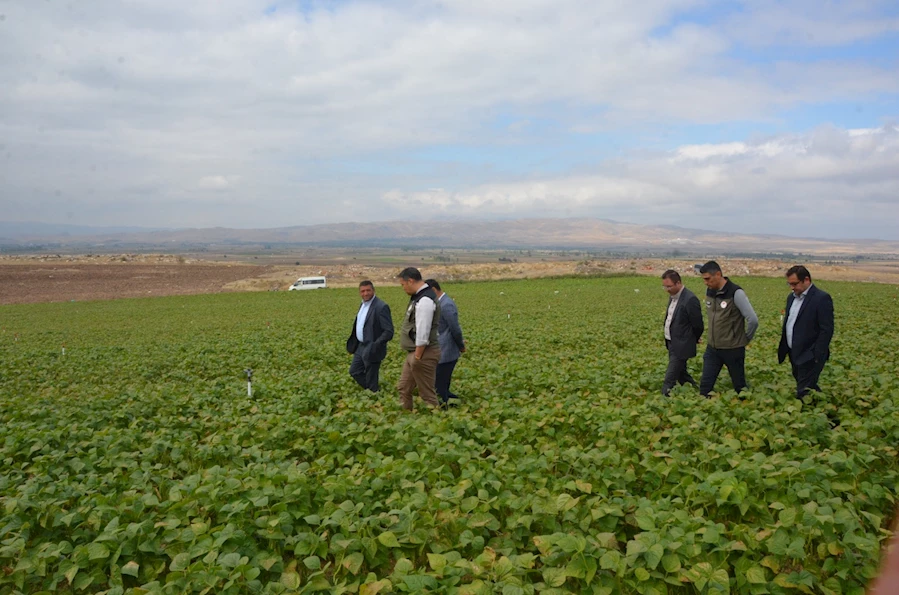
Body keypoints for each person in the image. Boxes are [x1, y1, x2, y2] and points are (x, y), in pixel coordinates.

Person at [698, 261, 758, 396]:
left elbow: (753, 320)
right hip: (713, 349)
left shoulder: (736, 293)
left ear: (718, 274)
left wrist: (745, 339)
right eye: (704, 279)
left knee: (740, 388)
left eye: (708, 279)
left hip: (733, 349)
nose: (706, 283)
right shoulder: (710, 291)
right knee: (705, 388)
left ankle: (745, 411)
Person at [777, 265, 834, 400]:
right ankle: (824, 405)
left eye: (794, 284)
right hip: (794, 352)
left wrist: (816, 354)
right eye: (789, 284)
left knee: (803, 391)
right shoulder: (791, 298)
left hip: (809, 354)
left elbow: (826, 329)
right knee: (808, 385)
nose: (792, 287)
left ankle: (803, 416)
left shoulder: (821, 298)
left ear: (806, 280)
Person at [396, 268, 441, 410]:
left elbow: (423, 331)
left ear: (410, 281)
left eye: (403, 284)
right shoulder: (419, 297)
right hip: (415, 352)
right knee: (403, 388)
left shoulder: (425, 300)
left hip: (423, 353)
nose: (403, 288)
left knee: (427, 394)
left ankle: (438, 425)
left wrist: (417, 356)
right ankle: (405, 418)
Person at [660, 270, 703, 396]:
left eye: (669, 286)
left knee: (670, 377)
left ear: (678, 283)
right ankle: (697, 392)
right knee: (681, 373)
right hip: (671, 342)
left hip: (682, 344)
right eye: (664, 286)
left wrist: (694, 338)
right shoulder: (673, 297)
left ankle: (664, 401)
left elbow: (698, 324)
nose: (666, 289)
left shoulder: (690, 299)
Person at [346, 280, 394, 392]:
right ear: (359, 293)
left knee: (371, 375)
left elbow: (389, 331)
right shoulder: (362, 305)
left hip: (372, 347)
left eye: (368, 290)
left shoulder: (381, 307)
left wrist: (375, 345)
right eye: (363, 291)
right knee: (354, 371)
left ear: (373, 290)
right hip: (360, 346)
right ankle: (372, 391)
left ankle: (373, 396)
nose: (365, 293)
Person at [425, 279, 466, 406]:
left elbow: (455, 329)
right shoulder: (439, 303)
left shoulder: (446, 304)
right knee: (440, 383)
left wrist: (461, 346)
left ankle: (446, 408)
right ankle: (453, 403)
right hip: (440, 350)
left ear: (433, 290)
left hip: (447, 351)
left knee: (440, 383)